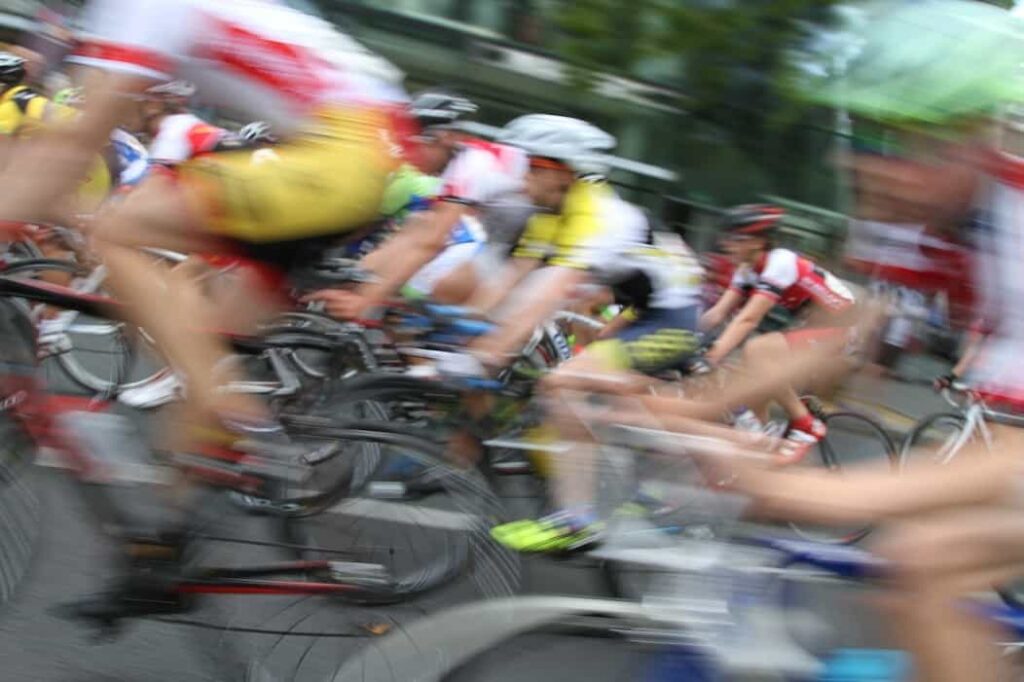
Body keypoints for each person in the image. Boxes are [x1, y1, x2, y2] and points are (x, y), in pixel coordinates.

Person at [0, 0, 408, 618]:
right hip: (361, 156)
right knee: (208, 345)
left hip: (339, 154)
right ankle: (164, 550)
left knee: (117, 231)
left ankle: (238, 414)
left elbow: (77, 141)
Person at [444, 114, 704, 550]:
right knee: (587, 392)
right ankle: (633, 470)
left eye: (532, 168)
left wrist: (486, 351)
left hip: (671, 317)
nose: (524, 179)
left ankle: (578, 519)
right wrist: (461, 327)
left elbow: (552, 292)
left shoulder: (601, 215)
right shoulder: (553, 212)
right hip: (638, 309)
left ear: (560, 169)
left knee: (562, 385)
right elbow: (513, 277)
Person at [699, 204, 858, 458]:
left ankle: (806, 425)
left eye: (736, 238)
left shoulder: (780, 262)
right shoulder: (746, 270)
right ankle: (761, 452)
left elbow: (748, 319)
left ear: (758, 242)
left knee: (758, 351)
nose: (728, 244)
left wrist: (710, 357)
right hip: (811, 326)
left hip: (843, 327)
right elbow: (717, 313)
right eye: (728, 237)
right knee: (752, 389)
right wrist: (685, 339)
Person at [138, 80, 228, 165]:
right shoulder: (187, 123)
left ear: (155, 106)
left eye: (145, 103)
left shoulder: (176, 126)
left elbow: (158, 173)